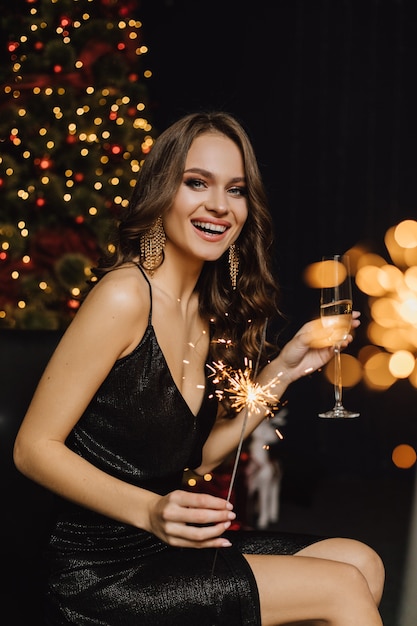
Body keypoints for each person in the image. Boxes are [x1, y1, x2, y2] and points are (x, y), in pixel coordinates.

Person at [14, 111, 385, 626]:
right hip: (98, 570)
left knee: (360, 561)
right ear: (162, 191)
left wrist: (287, 367)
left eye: (235, 190)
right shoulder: (125, 295)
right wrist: (149, 511)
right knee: (341, 587)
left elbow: (192, 461)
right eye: (196, 183)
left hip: (165, 547)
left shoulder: (210, 313)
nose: (219, 206)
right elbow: (32, 449)